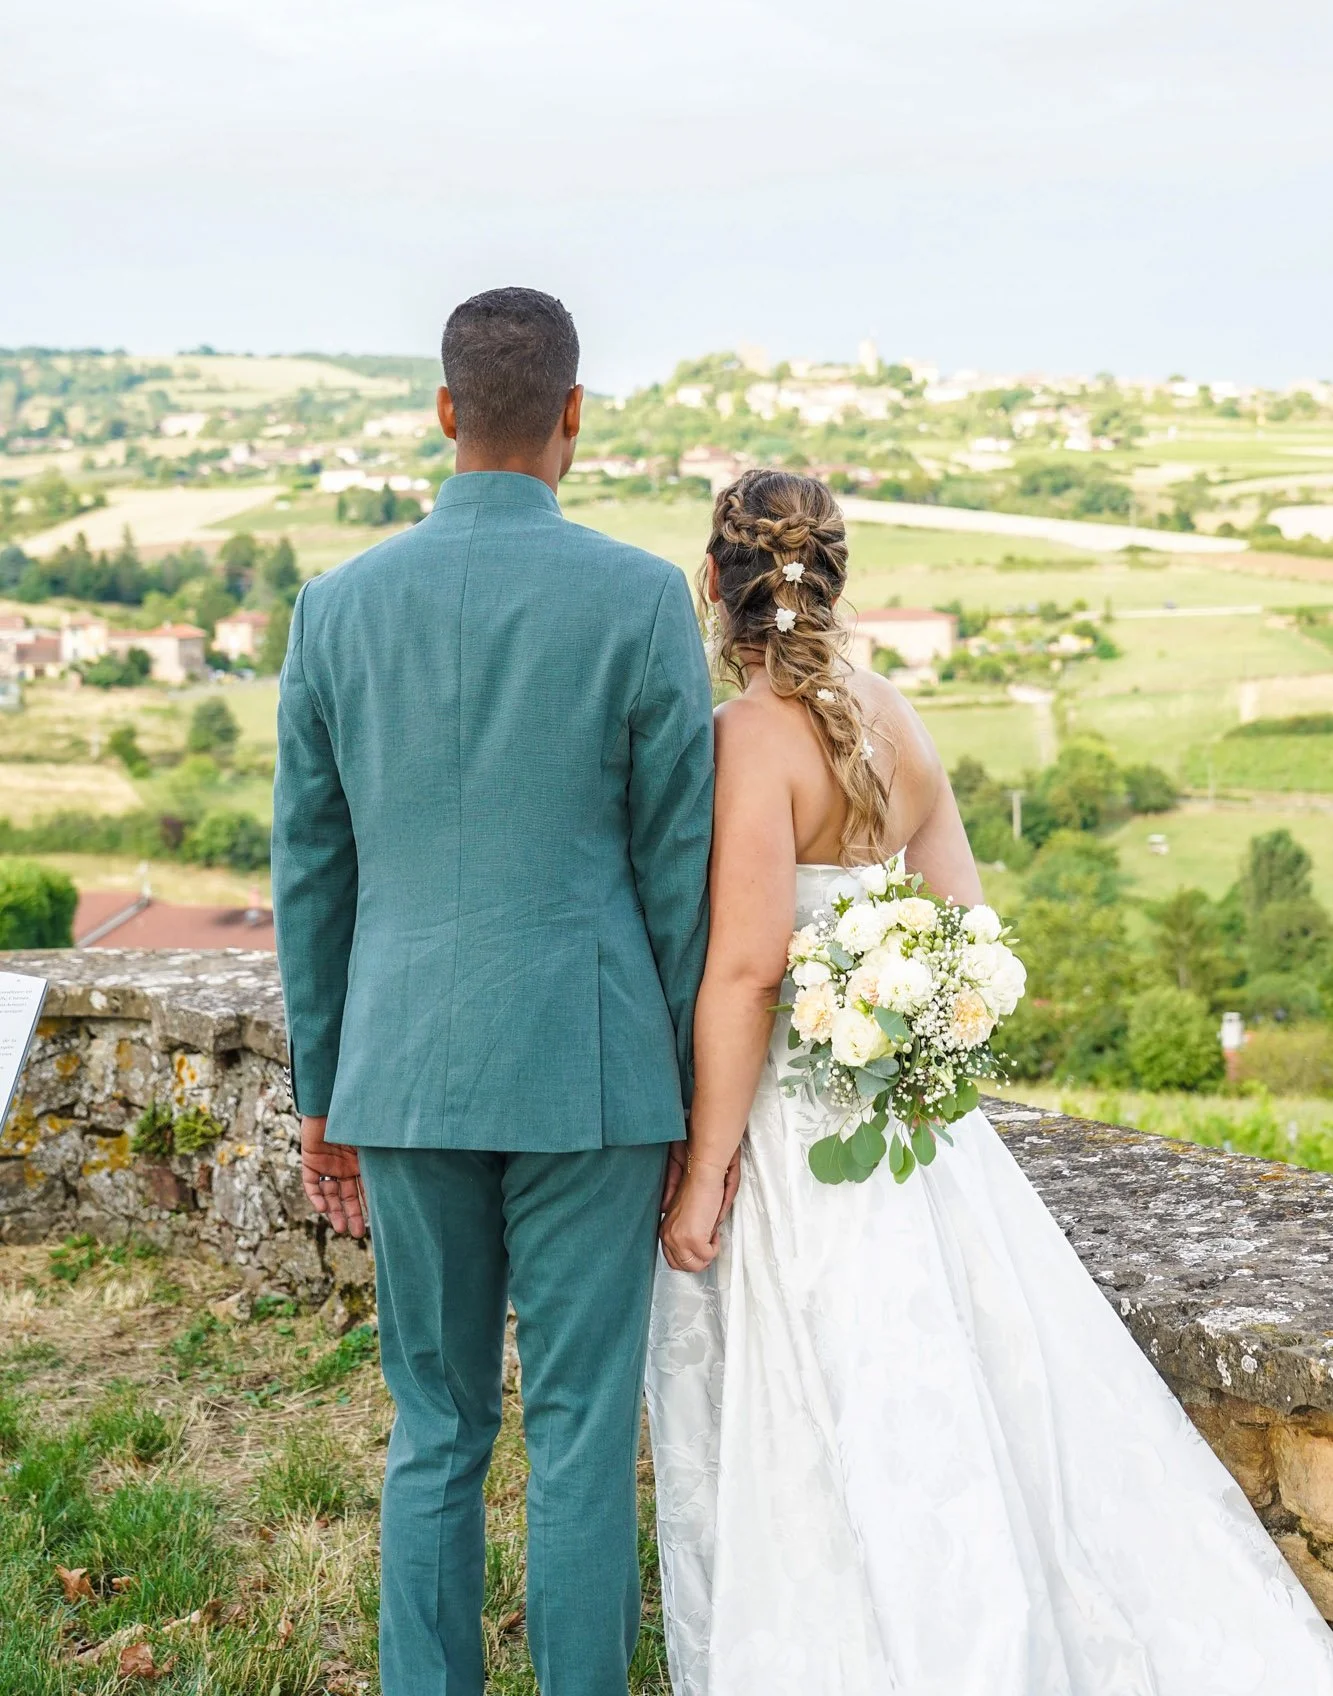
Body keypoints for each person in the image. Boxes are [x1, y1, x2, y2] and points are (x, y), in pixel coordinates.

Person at [646, 467, 1333, 1696]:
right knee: (967, 1411)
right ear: (838, 576)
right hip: (916, 1141)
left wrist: (703, 1177)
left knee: (829, 1422)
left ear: (715, 583)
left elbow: (746, 970)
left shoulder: (746, 737)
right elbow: (965, 929)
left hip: (798, 1143)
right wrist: (890, 1004)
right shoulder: (895, 712)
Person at [272, 287, 714, 1696]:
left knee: (437, 1427)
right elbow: (675, 874)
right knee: (581, 1432)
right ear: (573, 418)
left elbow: (312, 880)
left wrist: (322, 1094)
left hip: (399, 1071)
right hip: (595, 1075)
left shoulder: (335, 610)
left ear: (446, 411)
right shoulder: (642, 599)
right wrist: (694, 1106)